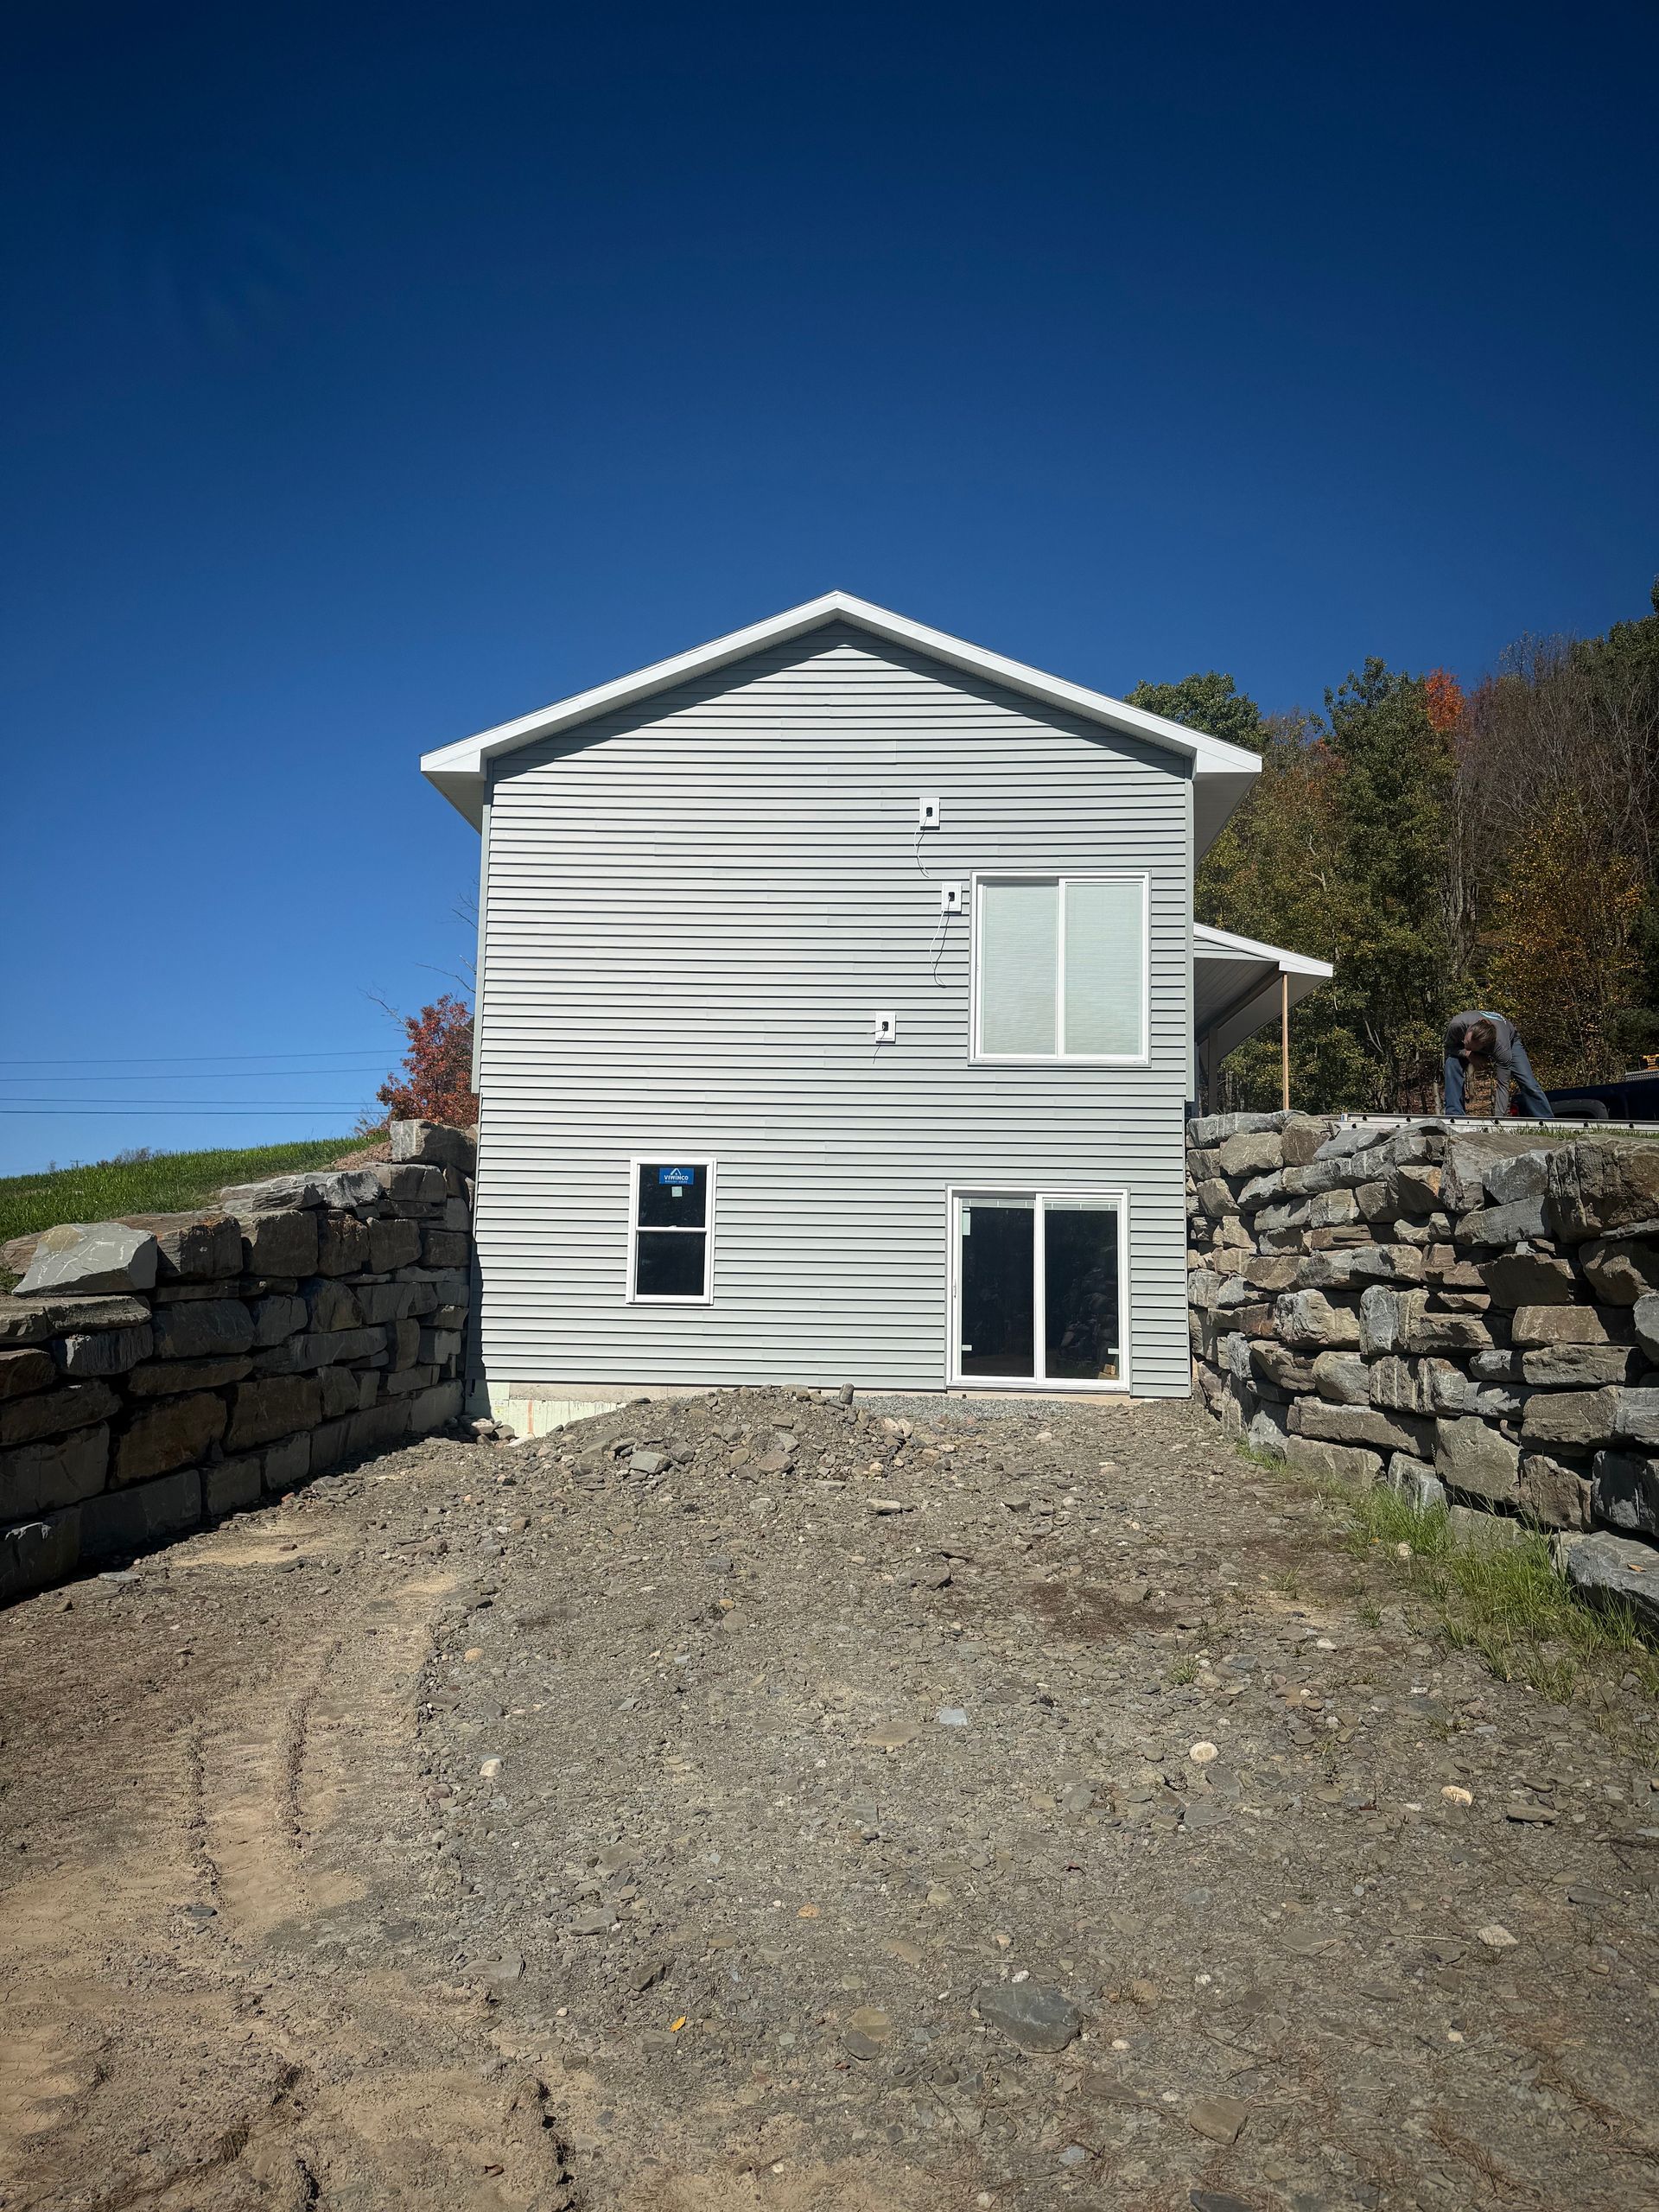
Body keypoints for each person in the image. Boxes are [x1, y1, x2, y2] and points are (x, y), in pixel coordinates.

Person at [1443, 1010, 1554, 1120]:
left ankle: (1546, 1120)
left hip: (1510, 1041)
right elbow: (1448, 1048)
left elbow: (1503, 1085)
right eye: (1466, 1041)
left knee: (1528, 1082)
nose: (1466, 1044)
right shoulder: (1457, 1025)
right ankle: (1454, 1115)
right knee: (1451, 1063)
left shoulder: (1501, 1049)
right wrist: (1467, 1053)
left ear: (1484, 1047)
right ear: (1470, 1028)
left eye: (1471, 1047)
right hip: (1464, 1046)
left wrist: (1499, 1120)